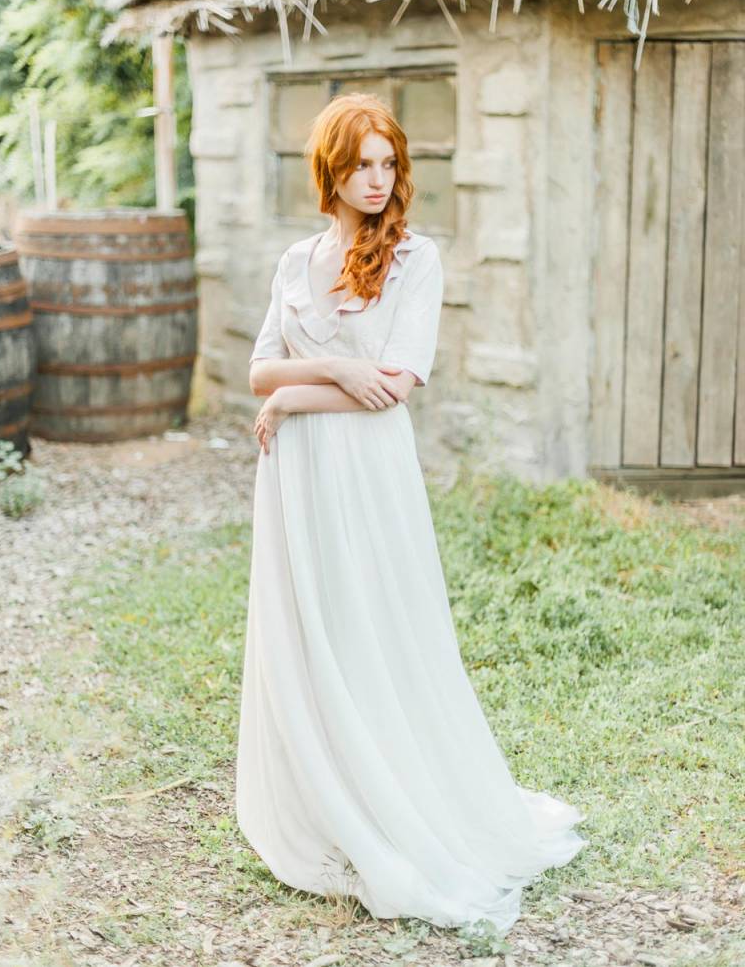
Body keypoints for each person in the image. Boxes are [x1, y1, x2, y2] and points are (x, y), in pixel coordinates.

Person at [236, 92, 586, 934]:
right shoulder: (295, 262)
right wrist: (327, 373)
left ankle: (395, 802)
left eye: (389, 163)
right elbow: (257, 372)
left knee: (375, 631)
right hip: (296, 481)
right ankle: (328, 804)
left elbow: (391, 388)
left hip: (365, 470)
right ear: (331, 168)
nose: (376, 179)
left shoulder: (415, 259)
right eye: (361, 163)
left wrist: (299, 396)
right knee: (311, 632)